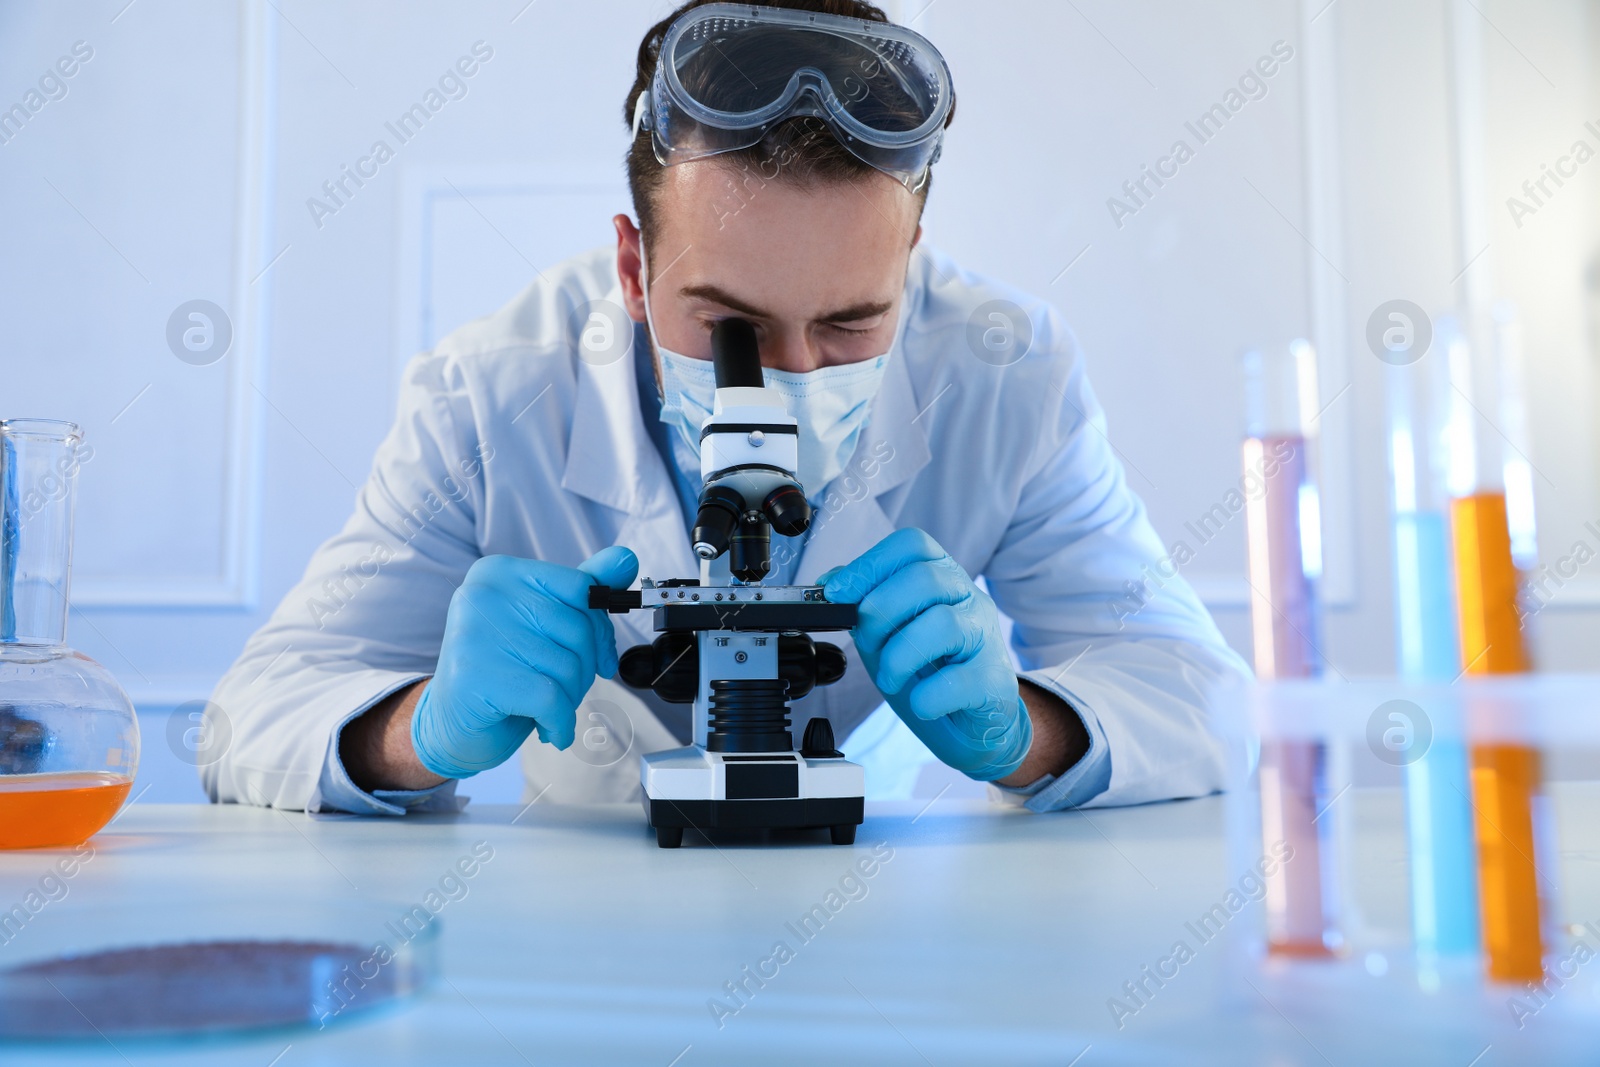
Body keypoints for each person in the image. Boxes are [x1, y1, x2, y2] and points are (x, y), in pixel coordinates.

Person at [204, 0, 1250, 817]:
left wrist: (1027, 729)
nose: (791, 376)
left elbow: (1206, 702)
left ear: (911, 269)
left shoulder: (1007, 372)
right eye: (730, 325)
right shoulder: (489, 393)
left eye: (850, 322)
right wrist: (416, 732)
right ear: (632, 266)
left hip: (875, 914)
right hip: (573, 917)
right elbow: (251, 715)